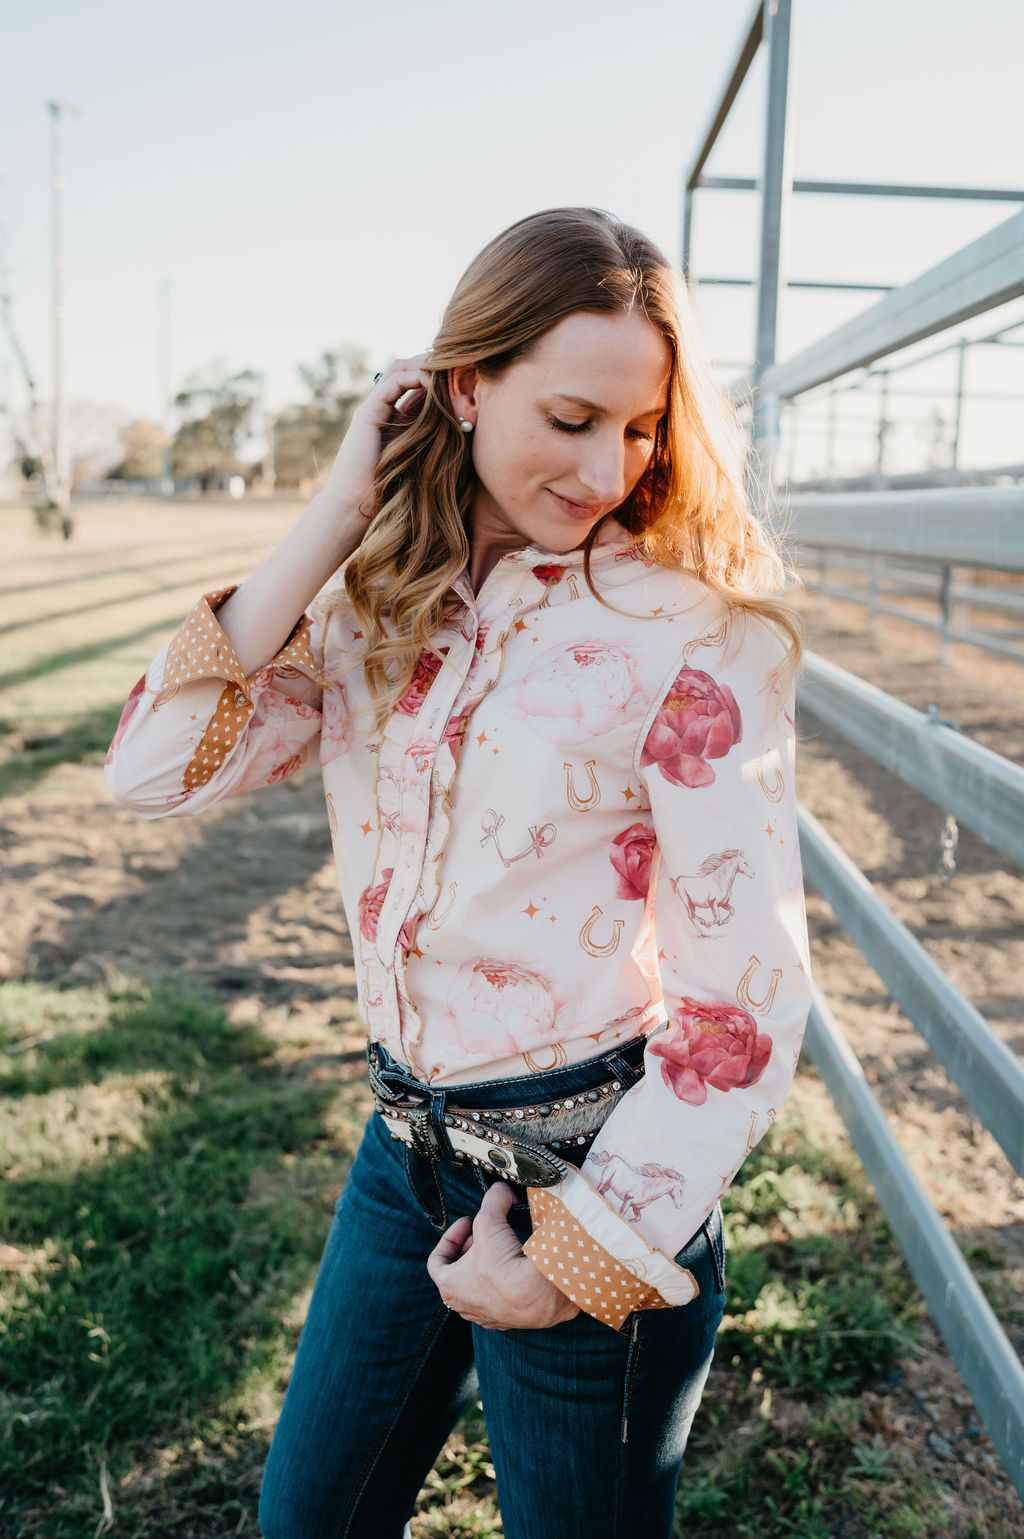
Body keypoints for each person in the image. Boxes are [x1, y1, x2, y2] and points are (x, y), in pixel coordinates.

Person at [106, 206, 812, 1539]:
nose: (610, 464)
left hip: (594, 1163)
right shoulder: (379, 608)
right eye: (570, 417)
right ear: (468, 385)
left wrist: (576, 1259)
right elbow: (149, 770)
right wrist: (337, 509)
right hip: (403, 1158)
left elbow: (748, 998)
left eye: (643, 427)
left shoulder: (694, 638)